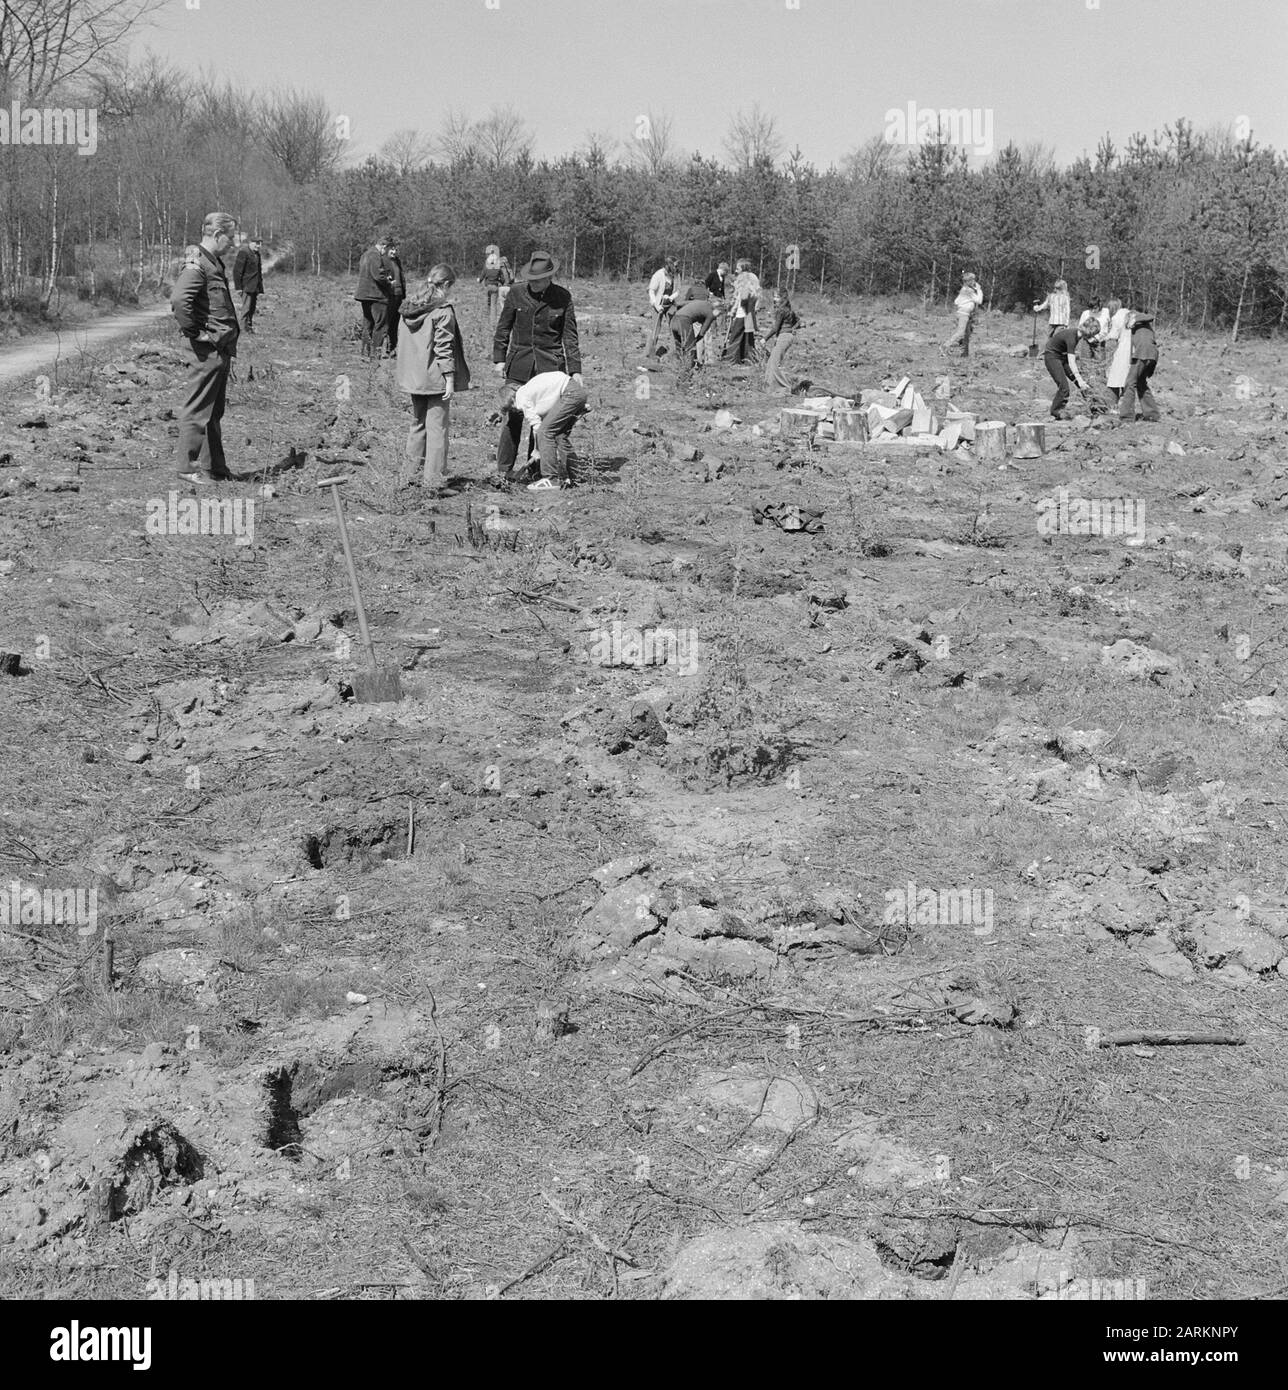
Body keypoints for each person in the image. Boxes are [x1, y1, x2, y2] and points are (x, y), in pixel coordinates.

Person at [491, 250, 583, 487]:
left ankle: (536, 470)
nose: (534, 284)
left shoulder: (562, 297)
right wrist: (499, 358)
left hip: (549, 365)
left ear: (550, 278)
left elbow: (569, 336)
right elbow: (504, 327)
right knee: (512, 416)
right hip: (519, 362)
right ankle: (504, 470)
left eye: (539, 280)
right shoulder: (516, 293)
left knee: (542, 418)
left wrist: (575, 370)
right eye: (531, 279)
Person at [170, 212, 241, 484]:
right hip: (206, 349)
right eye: (230, 237)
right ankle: (187, 468)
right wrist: (196, 333)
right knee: (198, 409)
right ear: (216, 235)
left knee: (213, 412)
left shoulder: (213, 262)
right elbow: (179, 299)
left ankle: (215, 468)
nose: (232, 243)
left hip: (219, 348)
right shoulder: (197, 262)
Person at [395, 264, 470, 497]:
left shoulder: (410, 307)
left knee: (418, 425)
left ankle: (408, 478)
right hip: (434, 377)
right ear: (446, 285)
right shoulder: (442, 311)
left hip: (414, 377)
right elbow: (443, 347)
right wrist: (449, 378)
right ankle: (433, 484)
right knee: (437, 429)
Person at [511, 370, 589, 490]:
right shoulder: (532, 393)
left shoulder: (520, 397)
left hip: (570, 393)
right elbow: (544, 420)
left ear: (511, 400)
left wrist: (538, 449)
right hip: (575, 392)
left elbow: (538, 428)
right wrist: (538, 448)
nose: (518, 410)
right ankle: (576, 477)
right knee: (559, 435)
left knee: (546, 432)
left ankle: (550, 478)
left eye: (511, 408)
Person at [1043, 318, 1099, 419]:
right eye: (1093, 334)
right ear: (1088, 332)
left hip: (1062, 357)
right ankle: (1056, 412)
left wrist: (1081, 381)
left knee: (1083, 384)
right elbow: (1072, 363)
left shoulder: (1078, 335)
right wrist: (1080, 379)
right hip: (1052, 357)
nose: (1093, 337)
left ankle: (1096, 409)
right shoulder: (1072, 338)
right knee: (1064, 388)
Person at [354, 232, 395, 360]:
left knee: (368, 324)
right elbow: (378, 276)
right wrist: (389, 282)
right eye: (388, 249)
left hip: (365, 295)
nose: (387, 252)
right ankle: (375, 355)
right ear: (384, 246)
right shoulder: (375, 255)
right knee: (381, 325)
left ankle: (365, 354)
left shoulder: (365, 254)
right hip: (376, 296)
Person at [1118, 311, 1160, 424]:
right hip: (1151, 355)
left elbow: (1150, 316)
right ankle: (1152, 414)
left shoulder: (1140, 322)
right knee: (1141, 383)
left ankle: (1126, 416)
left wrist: (1134, 318)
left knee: (1130, 383)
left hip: (1143, 354)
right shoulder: (1143, 326)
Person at [671, 295, 715, 388]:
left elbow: (683, 303)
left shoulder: (703, 303)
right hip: (683, 321)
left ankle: (677, 374)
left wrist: (674, 304)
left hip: (674, 320)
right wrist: (694, 341)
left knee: (680, 351)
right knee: (691, 351)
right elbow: (702, 332)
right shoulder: (712, 313)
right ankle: (685, 380)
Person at [762, 287, 801, 391]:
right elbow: (798, 321)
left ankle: (785, 387)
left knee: (774, 363)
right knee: (771, 362)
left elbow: (775, 328)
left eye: (777, 297)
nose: (775, 299)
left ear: (783, 298)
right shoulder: (788, 309)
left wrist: (764, 339)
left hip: (784, 337)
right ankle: (769, 386)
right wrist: (792, 329)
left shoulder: (781, 310)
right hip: (786, 337)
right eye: (774, 296)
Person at [723, 259, 761, 363]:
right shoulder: (753, 277)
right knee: (747, 337)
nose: (736, 271)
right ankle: (747, 358)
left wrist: (735, 309)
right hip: (749, 312)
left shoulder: (745, 278)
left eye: (737, 268)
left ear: (743, 269)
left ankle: (731, 358)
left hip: (742, 312)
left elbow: (742, 297)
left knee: (735, 336)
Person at [943, 271, 983, 357]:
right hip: (964, 314)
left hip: (963, 313)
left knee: (967, 333)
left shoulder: (964, 289)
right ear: (968, 281)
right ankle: (945, 346)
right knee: (960, 332)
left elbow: (956, 301)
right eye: (972, 280)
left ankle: (964, 353)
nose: (974, 282)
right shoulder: (968, 290)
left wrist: (966, 302)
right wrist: (979, 290)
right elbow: (979, 301)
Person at [646, 257, 680, 355]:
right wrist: (656, 305)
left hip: (670, 304)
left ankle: (674, 352)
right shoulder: (658, 275)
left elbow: (678, 290)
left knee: (674, 327)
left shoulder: (676, 275)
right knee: (655, 328)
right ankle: (650, 353)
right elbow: (651, 290)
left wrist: (671, 298)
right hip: (658, 304)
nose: (676, 268)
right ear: (669, 265)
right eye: (675, 265)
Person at [232, 234, 264, 333]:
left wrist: (260, 287)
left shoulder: (257, 254)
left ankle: (249, 328)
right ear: (251, 243)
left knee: (252, 308)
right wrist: (238, 288)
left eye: (260, 244)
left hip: (255, 286)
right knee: (246, 308)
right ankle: (242, 329)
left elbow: (258, 272)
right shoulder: (243, 252)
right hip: (246, 286)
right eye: (256, 243)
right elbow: (237, 271)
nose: (258, 246)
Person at [1104, 299, 1131, 400]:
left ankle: (1113, 403)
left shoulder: (1116, 317)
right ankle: (1125, 400)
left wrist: (1103, 338)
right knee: (1127, 376)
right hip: (1133, 348)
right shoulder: (1128, 313)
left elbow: (1114, 335)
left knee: (1115, 376)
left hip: (1123, 347)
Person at [383, 238, 406, 355]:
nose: (394, 252)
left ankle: (392, 348)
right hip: (390, 296)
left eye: (395, 250)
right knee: (387, 322)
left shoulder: (397, 261)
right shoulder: (384, 261)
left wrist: (403, 293)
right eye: (392, 250)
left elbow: (401, 278)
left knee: (395, 323)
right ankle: (383, 348)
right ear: (387, 250)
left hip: (399, 295)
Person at [479, 248, 505, 326]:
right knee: (494, 305)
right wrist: (501, 282)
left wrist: (480, 280)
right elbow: (502, 278)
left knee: (487, 303)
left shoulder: (486, 267)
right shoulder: (498, 267)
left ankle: (487, 320)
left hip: (488, 286)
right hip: (495, 286)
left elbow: (482, 275)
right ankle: (493, 322)